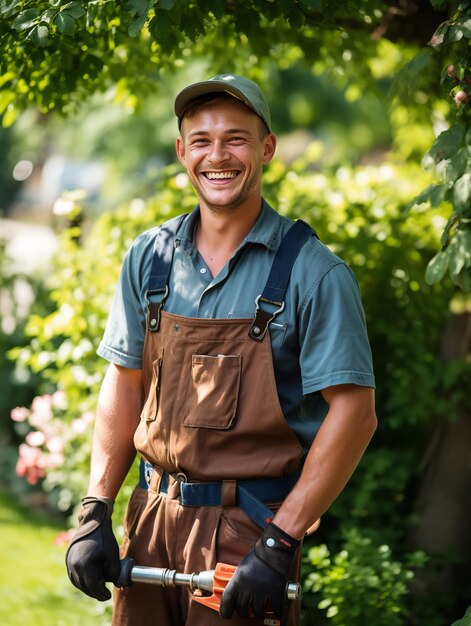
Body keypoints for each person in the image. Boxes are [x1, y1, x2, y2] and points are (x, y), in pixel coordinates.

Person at [65, 73, 377, 626]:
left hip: (250, 532)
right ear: (183, 151)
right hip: (151, 519)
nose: (218, 156)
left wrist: (282, 540)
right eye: (202, 141)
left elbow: (354, 413)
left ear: (267, 148)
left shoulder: (314, 273)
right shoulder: (151, 257)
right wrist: (95, 510)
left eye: (236, 138)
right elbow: (126, 381)